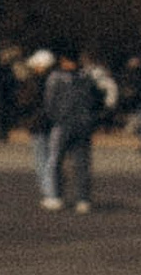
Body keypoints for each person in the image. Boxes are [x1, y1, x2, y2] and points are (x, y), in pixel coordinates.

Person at [37, 53, 98, 212]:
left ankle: (56, 197)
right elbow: (94, 100)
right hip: (82, 125)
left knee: (56, 161)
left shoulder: (56, 78)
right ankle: (82, 199)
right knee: (81, 163)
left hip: (63, 125)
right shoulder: (86, 77)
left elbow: (49, 102)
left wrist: (56, 118)